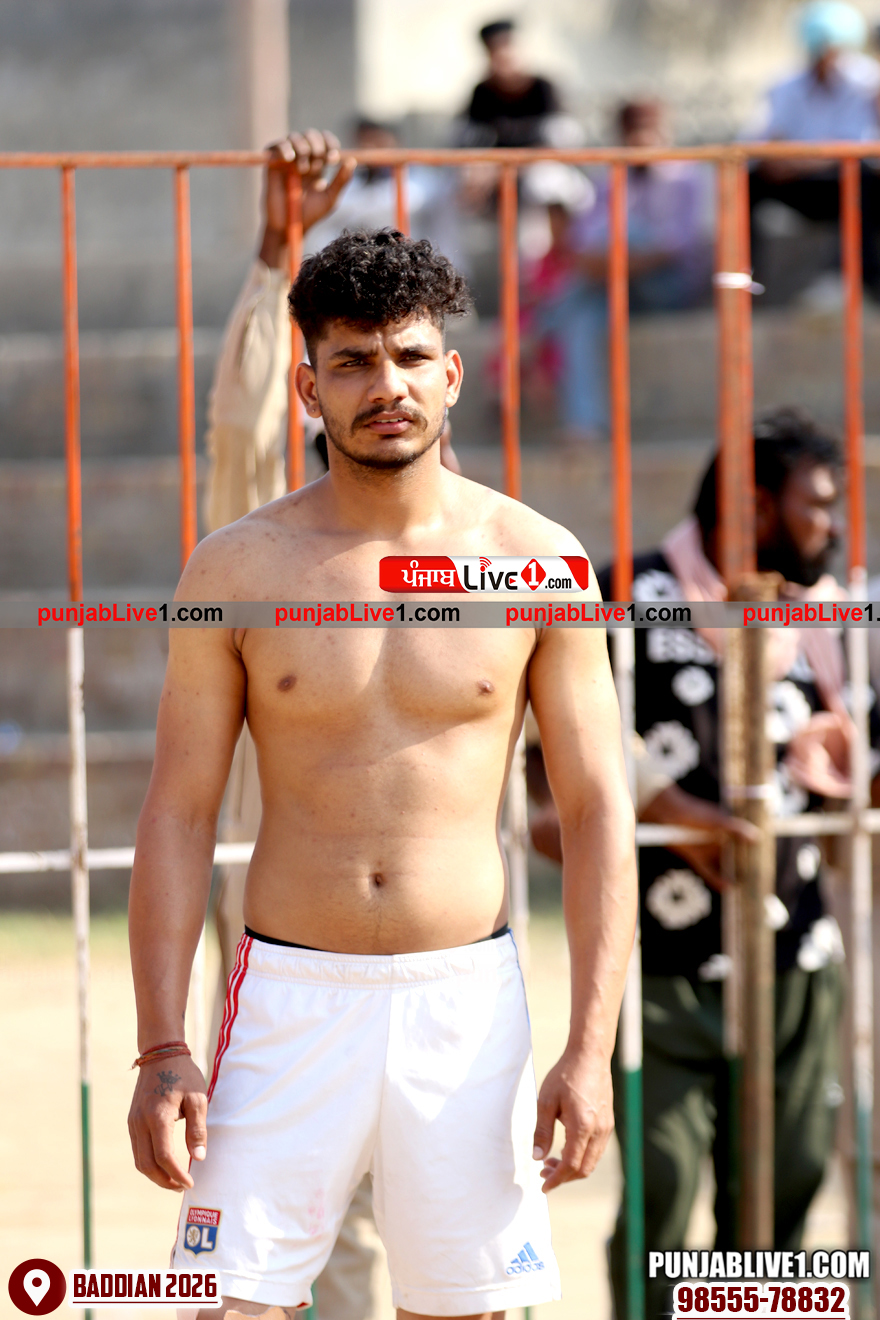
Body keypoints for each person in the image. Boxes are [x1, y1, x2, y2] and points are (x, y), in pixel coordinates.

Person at [127, 225, 637, 1319]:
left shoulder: (537, 563)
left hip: (465, 1004)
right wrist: (162, 1045)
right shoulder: (238, 569)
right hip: (286, 1001)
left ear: (450, 374)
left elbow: (599, 810)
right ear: (308, 387)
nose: (386, 385)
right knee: (226, 1306)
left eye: (408, 357)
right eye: (353, 361)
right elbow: (177, 811)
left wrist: (589, 1051)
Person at [530, 407, 863, 1319]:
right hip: (660, 964)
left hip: (796, 957)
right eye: (815, 504)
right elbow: (547, 779)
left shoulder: (826, 613)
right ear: (753, 505)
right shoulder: (622, 594)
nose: (829, 525)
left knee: (782, 1190)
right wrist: (675, 819)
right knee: (664, 1192)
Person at [537, 100, 711, 445]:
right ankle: (585, 425)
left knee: (622, 231)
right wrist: (608, 262)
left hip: (668, 286)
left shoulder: (688, 178)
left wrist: (612, 260)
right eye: (634, 133)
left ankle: (541, 324)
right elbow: (581, 247)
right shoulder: (610, 181)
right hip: (614, 287)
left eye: (649, 131)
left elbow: (677, 248)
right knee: (583, 319)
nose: (642, 141)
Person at [748, 0, 880, 295]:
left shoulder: (868, 83)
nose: (828, 54)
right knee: (746, 181)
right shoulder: (785, 85)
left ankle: (865, 281)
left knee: (860, 176)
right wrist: (777, 160)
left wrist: (801, 160)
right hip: (800, 182)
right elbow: (760, 140)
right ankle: (744, 282)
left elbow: (860, 146)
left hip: (846, 182)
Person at [460, 19, 563, 150]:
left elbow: (563, 135)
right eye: (497, 53)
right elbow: (469, 138)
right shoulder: (482, 92)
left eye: (508, 48)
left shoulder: (542, 88)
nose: (505, 55)